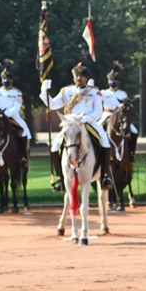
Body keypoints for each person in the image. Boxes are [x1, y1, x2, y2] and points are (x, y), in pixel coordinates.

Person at [40, 60, 113, 192]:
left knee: (105, 142)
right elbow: (53, 105)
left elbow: (98, 112)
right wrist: (45, 92)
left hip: (88, 122)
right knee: (55, 146)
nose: (79, 78)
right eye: (77, 76)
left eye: (82, 76)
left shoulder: (94, 92)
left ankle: (105, 177)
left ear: (86, 77)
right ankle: (61, 179)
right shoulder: (66, 91)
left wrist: (83, 119)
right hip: (71, 125)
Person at [98, 61, 138, 161]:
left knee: (134, 131)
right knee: (97, 129)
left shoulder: (123, 94)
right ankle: (98, 152)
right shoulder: (103, 92)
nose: (112, 82)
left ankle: (131, 153)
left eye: (114, 80)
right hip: (106, 115)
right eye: (111, 80)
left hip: (119, 116)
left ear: (118, 82)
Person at [0, 59, 31, 168]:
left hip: (12, 117)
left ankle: (24, 156)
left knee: (24, 131)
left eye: (7, 79)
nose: (5, 80)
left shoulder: (17, 92)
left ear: (11, 80)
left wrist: (5, 114)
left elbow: (16, 107)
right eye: (4, 78)